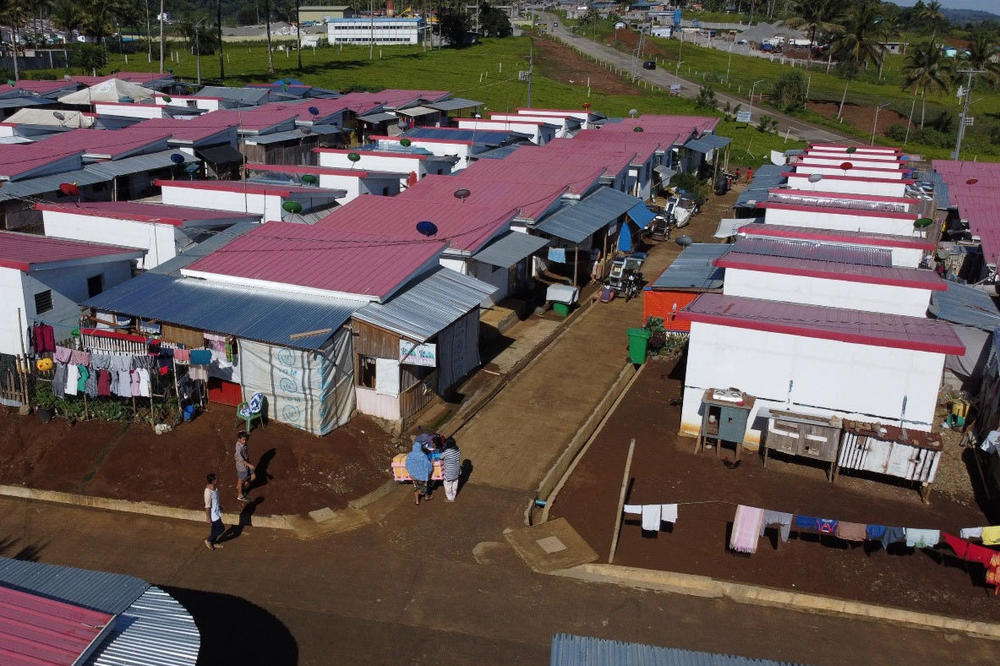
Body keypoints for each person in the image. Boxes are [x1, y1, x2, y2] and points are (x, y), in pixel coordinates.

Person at [405, 440, 433, 505]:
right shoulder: (423, 455)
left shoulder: (409, 455)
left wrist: (411, 473)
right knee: (425, 486)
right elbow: (427, 465)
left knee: (415, 487)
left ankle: (417, 501)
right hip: (422, 475)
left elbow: (407, 465)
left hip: (414, 475)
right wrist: (430, 470)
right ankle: (426, 497)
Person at [204, 473, 225, 550]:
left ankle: (214, 542)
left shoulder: (214, 488)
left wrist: (219, 506)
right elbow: (207, 506)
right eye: (216, 479)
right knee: (221, 528)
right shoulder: (208, 492)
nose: (217, 480)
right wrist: (208, 517)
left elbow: (216, 500)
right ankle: (208, 540)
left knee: (214, 529)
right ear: (212, 480)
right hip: (213, 515)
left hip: (217, 512)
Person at [234, 431, 255, 502]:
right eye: (243, 440)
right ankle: (240, 495)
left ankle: (240, 487)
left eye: (246, 439)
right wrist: (249, 465)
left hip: (246, 466)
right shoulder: (238, 448)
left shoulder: (243, 444)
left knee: (253, 477)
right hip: (242, 468)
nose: (245, 441)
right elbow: (240, 459)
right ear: (239, 439)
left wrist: (247, 433)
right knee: (241, 482)